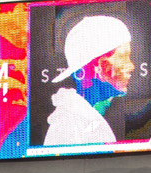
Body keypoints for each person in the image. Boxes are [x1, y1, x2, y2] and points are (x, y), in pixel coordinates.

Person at [43, 14, 135, 147]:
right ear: (96, 67)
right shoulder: (66, 127)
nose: (131, 67)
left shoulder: (88, 119)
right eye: (123, 57)